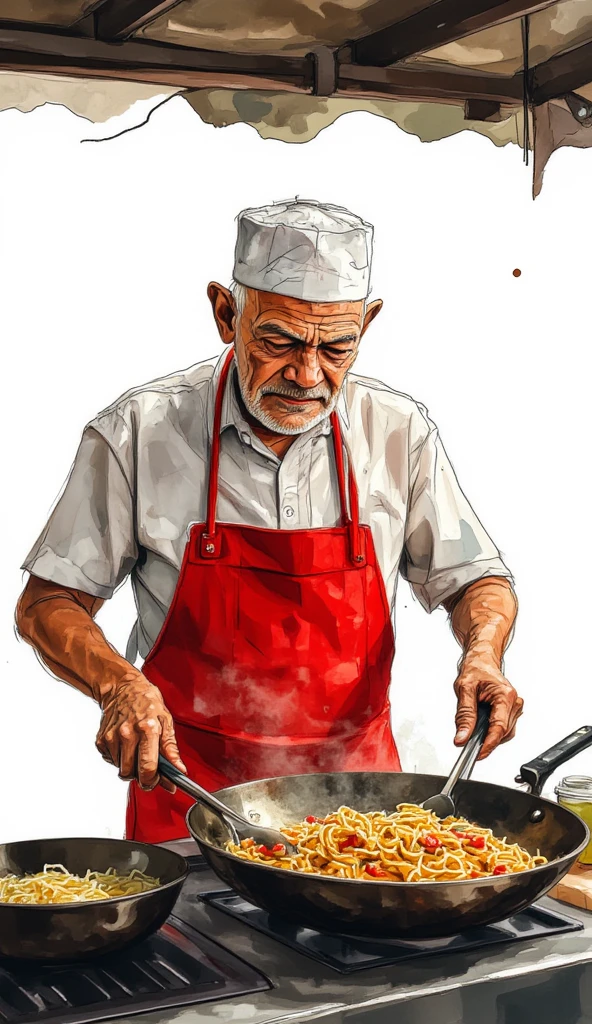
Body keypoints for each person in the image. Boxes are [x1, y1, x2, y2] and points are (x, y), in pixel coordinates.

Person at [16, 199, 522, 843]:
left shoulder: (399, 433)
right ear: (226, 314)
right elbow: (49, 600)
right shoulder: (139, 431)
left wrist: (484, 655)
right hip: (194, 803)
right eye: (279, 341)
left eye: (338, 346)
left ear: (367, 324)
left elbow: (475, 579)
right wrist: (119, 684)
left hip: (365, 818)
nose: (309, 374)